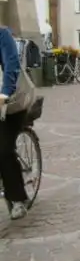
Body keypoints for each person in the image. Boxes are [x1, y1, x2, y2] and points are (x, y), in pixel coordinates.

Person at [0, 26, 29, 220]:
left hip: (10, 104)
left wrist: (4, 94)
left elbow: (11, 63)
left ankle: (18, 199)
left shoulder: (3, 35)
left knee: (3, 150)